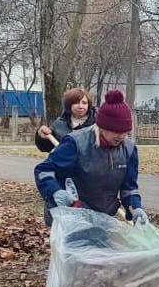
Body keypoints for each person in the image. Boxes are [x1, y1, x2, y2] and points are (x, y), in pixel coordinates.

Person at [34, 89, 146, 228]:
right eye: (116, 131)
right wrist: (55, 191)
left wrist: (135, 208)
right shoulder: (76, 143)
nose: (121, 136)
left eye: (125, 132)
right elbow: (44, 170)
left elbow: (129, 188)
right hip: (71, 214)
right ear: (102, 127)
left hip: (103, 217)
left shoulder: (128, 150)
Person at [35, 87, 96, 153]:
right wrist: (41, 136)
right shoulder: (59, 124)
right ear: (69, 104)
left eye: (84, 103)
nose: (80, 106)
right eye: (76, 103)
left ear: (88, 105)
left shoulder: (96, 123)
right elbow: (45, 148)